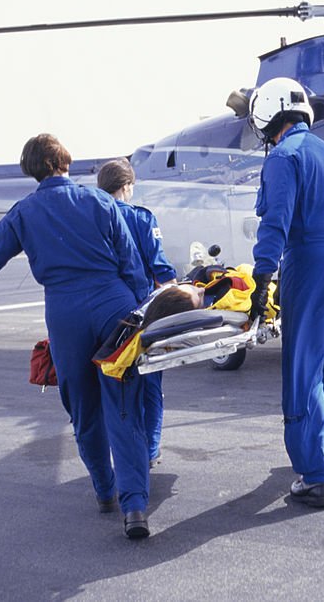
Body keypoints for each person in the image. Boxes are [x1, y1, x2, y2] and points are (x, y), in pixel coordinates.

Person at [0, 134, 154, 539]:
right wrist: (139, 317)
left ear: (32, 169)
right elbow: (132, 265)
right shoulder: (100, 201)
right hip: (113, 306)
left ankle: (104, 489)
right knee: (124, 406)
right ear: (63, 162)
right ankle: (134, 507)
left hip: (65, 314)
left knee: (83, 408)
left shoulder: (24, 213)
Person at [247, 77, 324, 509]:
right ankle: (317, 441)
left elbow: (275, 222)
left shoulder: (284, 156)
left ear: (267, 116)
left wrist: (263, 280)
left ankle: (317, 475)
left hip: (315, 262)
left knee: (305, 368)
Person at [97, 158, 177, 469]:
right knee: (150, 383)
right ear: (127, 187)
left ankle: (122, 452)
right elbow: (159, 267)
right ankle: (150, 449)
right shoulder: (141, 218)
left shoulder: (91, 218)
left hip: (102, 312)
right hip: (139, 313)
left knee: (114, 386)